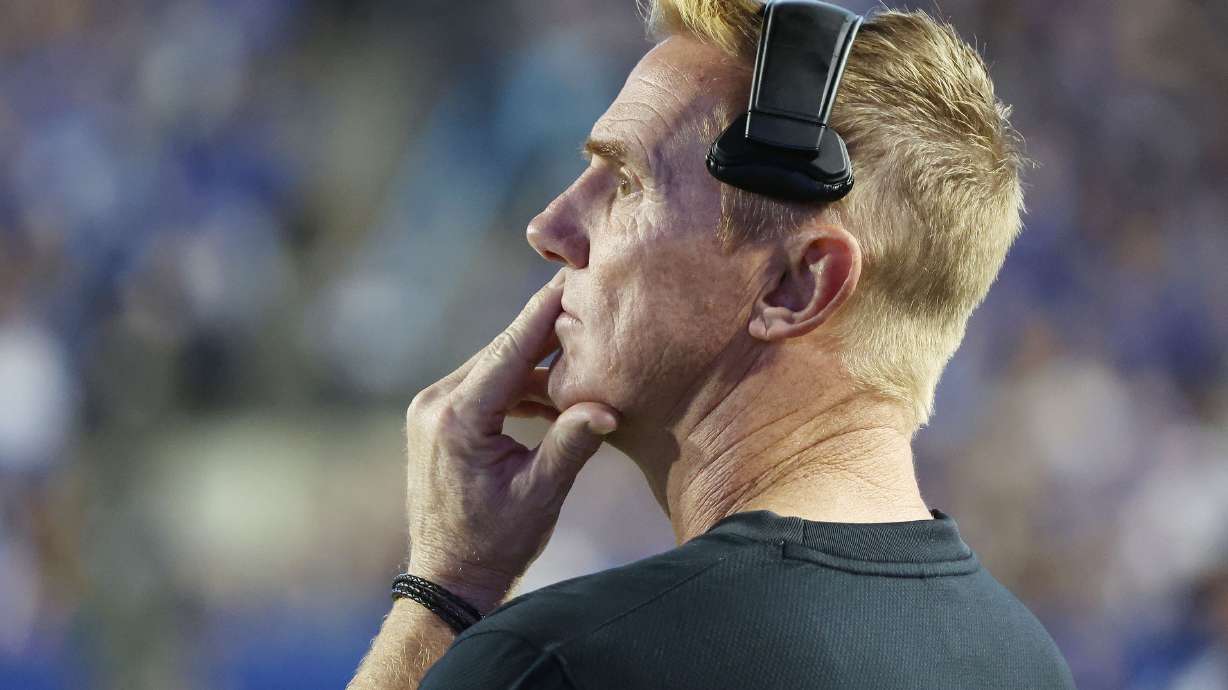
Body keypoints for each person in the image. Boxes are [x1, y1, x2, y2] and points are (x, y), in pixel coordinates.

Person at [348, 1, 1076, 688]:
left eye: (626, 182)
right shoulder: (1026, 663)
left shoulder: (565, 661)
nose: (550, 228)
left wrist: (447, 591)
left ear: (795, 285)